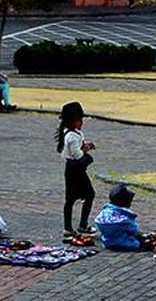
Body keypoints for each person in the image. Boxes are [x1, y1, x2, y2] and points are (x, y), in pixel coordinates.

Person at [56, 101, 96, 237]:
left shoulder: (73, 133)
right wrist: (85, 151)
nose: (81, 122)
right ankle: (77, 226)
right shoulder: (71, 136)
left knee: (73, 198)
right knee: (84, 195)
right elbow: (77, 155)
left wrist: (84, 146)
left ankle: (74, 226)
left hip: (74, 169)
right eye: (79, 120)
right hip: (75, 169)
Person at [95, 184, 144, 251]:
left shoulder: (103, 215)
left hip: (107, 243)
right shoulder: (125, 219)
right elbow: (134, 231)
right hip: (129, 244)